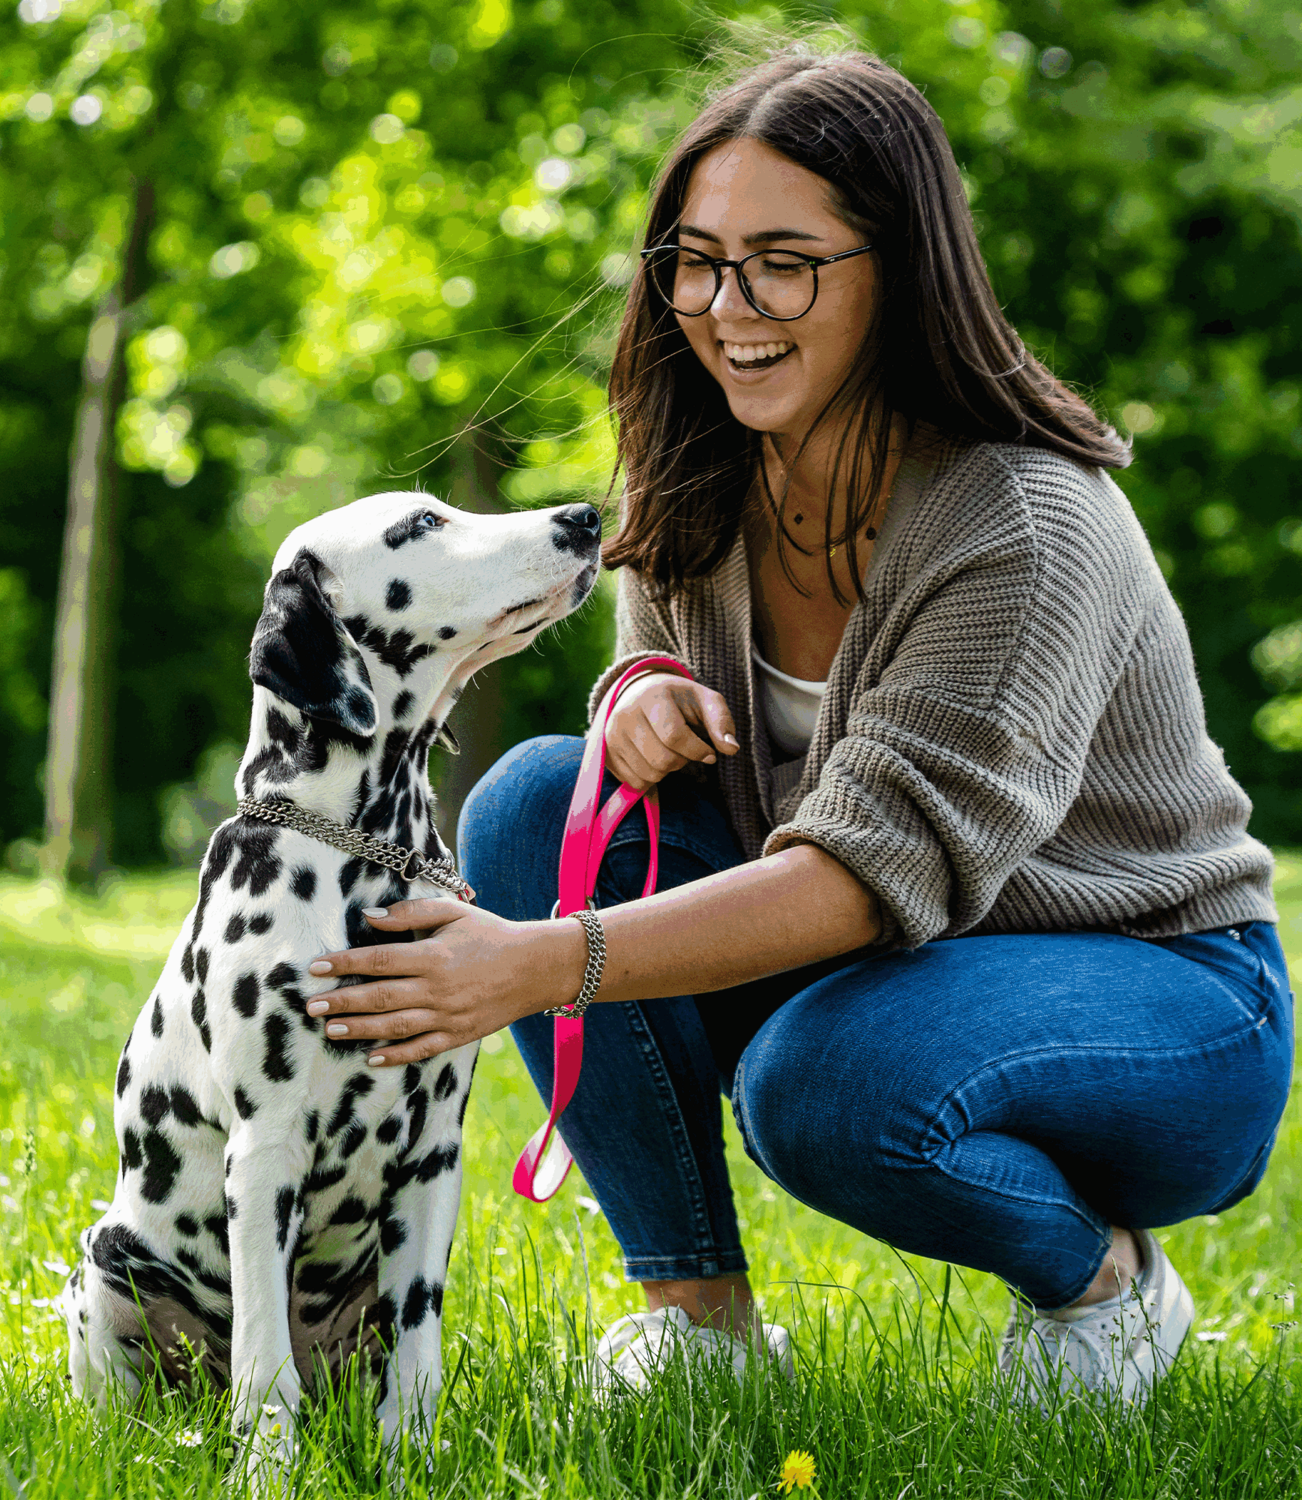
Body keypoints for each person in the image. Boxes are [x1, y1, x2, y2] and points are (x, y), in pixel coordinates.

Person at [299, 42, 1293, 1406]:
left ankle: (1104, 1288)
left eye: (785, 261)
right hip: (899, 971)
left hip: (1159, 1002)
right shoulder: (703, 458)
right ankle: (699, 1325)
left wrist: (533, 963)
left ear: (898, 271)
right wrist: (637, 695)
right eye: (694, 261)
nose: (726, 306)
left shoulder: (1023, 519)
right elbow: (658, 679)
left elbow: (858, 879)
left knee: (824, 1085)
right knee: (537, 802)